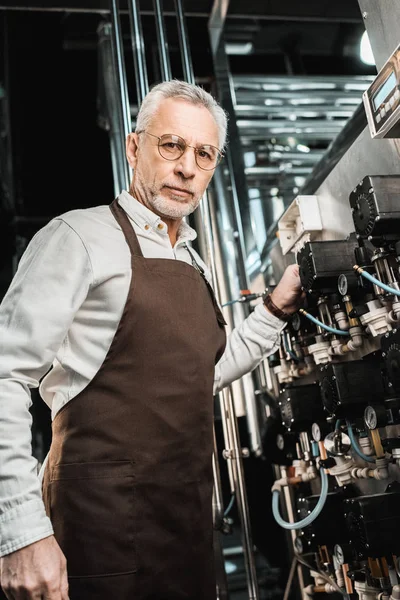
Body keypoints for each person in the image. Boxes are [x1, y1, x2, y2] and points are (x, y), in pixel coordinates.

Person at [0, 80, 303, 600]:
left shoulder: (191, 258)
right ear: (134, 147)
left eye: (204, 154)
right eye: (172, 145)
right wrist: (21, 533)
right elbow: (5, 374)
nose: (188, 167)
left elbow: (195, 377)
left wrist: (274, 309)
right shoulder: (78, 237)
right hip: (99, 535)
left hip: (184, 529)